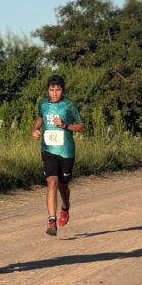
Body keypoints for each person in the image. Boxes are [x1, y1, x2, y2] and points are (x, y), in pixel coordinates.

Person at [32, 75, 85, 236]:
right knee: (51, 182)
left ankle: (65, 207)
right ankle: (52, 222)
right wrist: (34, 130)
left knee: (63, 185)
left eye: (58, 90)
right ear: (48, 90)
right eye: (51, 90)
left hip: (66, 151)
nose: (54, 93)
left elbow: (82, 126)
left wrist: (65, 125)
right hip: (48, 149)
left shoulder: (69, 105)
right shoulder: (43, 104)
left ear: (63, 90)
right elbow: (40, 117)